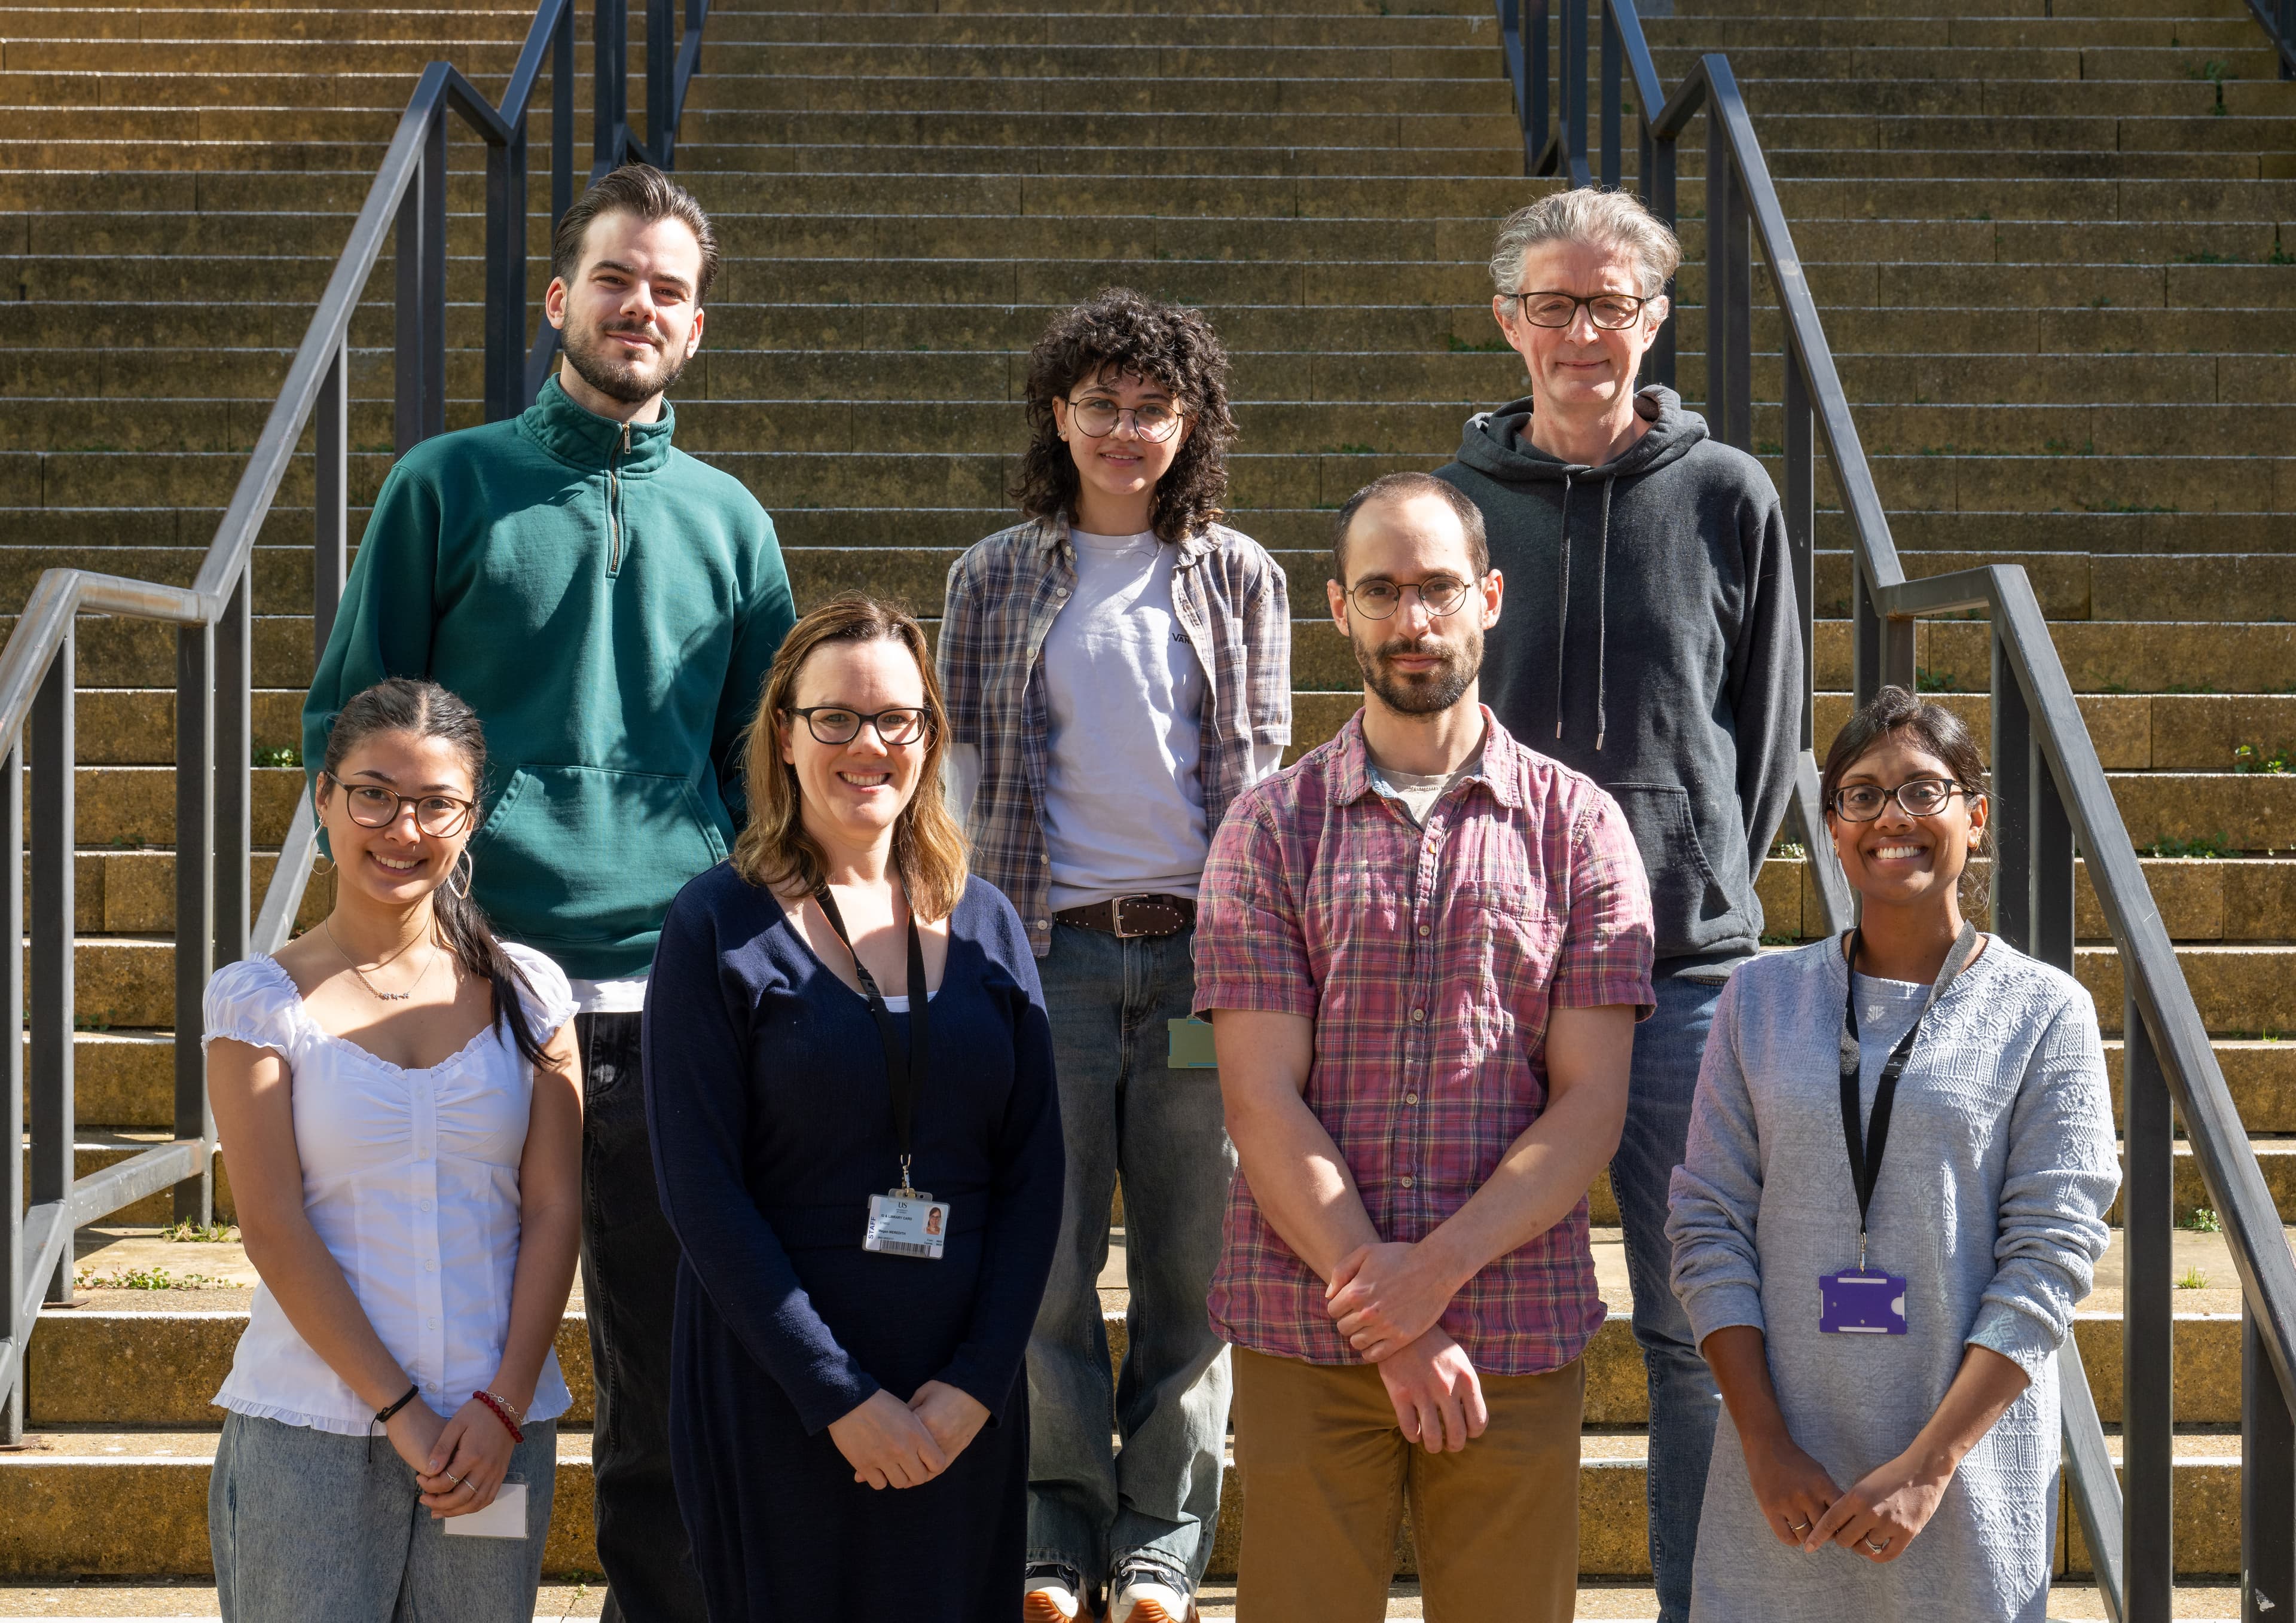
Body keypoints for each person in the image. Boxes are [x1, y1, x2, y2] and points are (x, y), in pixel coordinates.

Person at [300, 163, 795, 1620]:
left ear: (696, 328)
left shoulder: (732, 523)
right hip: (468, 1001)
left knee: (673, 1389)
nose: (639, 305)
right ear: (558, 297)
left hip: (664, 1008)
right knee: (449, 1369)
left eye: (669, 288)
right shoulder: (446, 484)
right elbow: (353, 725)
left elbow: (762, 773)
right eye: (616, 277)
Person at [1431, 185, 1803, 1623]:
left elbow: (1762, 738)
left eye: (1613, 305)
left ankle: (1697, 1602)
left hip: (1679, 974)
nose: (1584, 333)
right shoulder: (1455, 506)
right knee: (1482, 1310)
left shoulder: (1730, 496)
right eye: (1555, 304)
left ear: (1654, 320)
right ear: (1509, 320)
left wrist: (1698, 867)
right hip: (1481, 970)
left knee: (1697, 1315)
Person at [1193, 472, 1656, 1622]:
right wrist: (1388, 1316)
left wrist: (1429, 1279)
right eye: (1383, 592)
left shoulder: (1580, 826)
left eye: (1438, 588)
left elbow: (1589, 1106)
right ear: (1338, 609)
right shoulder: (1268, 826)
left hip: (1512, 1325)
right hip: (1307, 1329)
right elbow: (1259, 1100)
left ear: (1489, 598)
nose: (1414, 621)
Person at [936, 287, 1290, 1623]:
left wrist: (1264, 965)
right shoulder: (995, 575)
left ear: (1188, 423)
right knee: (1046, 1261)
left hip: (1203, 961)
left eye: (1153, 407)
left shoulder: (1241, 573)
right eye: (1102, 405)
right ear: (1058, 413)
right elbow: (957, 782)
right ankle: (1054, 1523)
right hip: (1050, 959)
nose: (1126, 429)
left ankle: (1163, 1538)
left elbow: (1258, 781)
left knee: (1199, 1268)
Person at [642, 595, 1065, 1621]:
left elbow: (1038, 1175)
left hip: (958, 1398)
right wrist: (839, 1395)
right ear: (784, 737)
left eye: (896, 718)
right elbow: (700, 1192)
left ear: (929, 735)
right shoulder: (716, 926)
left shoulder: (990, 923)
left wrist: (976, 1385)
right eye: (835, 718)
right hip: (778, 1393)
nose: (867, 744)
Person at [1667, 686, 2120, 1621]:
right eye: (1861, 795)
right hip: (1783, 1478)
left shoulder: (2044, 1013)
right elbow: (1706, 1224)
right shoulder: (1758, 1000)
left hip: (1961, 1480)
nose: (1892, 819)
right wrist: (1763, 1443)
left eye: (1924, 790)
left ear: (1977, 816)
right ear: (1833, 828)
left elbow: (2052, 1257)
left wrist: (1928, 1467)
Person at [203, 678, 582, 1621]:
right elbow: (273, 1225)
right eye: (372, 793)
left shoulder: (530, 994)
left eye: (435, 804)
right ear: (323, 798)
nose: (401, 829)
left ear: (472, 818)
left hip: (495, 1435)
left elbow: (554, 1210)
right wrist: (401, 1411)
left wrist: (500, 1408)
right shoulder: (258, 1003)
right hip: (312, 1436)